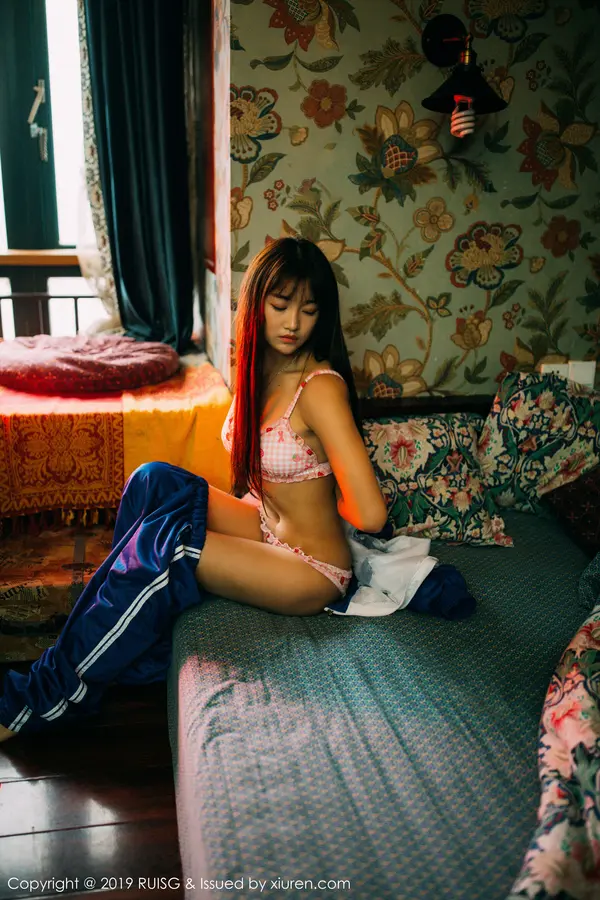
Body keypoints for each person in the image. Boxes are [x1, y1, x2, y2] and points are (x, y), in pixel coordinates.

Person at [0, 237, 387, 742]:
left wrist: (320, 494)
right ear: (257, 305)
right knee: (152, 479)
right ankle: (135, 645)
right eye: (280, 305)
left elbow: (371, 514)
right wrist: (278, 500)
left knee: (169, 545)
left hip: (310, 568)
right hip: (264, 526)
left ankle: (44, 697)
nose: (293, 323)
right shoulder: (263, 369)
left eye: (309, 310)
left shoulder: (321, 388)